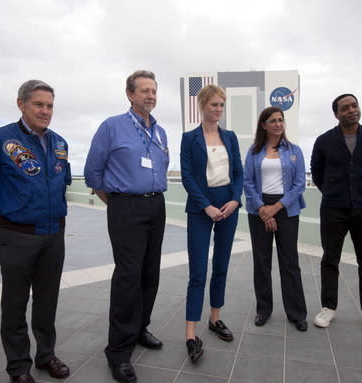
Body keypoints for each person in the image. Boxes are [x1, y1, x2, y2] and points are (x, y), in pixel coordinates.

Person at [0, 80, 71, 383]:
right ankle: (18, 367)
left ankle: (46, 356)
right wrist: (4, 221)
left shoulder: (60, 143)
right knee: (14, 305)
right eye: (38, 104)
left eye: (50, 105)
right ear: (21, 104)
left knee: (47, 301)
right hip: (17, 237)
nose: (45, 111)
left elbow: (62, 184)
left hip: (53, 236)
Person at [84, 70, 169, 383]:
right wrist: (118, 202)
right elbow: (93, 172)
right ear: (130, 95)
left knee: (150, 273)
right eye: (144, 91)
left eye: (154, 91)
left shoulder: (159, 132)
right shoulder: (112, 126)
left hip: (155, 205)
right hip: (126, 207)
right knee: (128, 277)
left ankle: (139, 328)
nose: (150, 96)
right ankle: (118, 351)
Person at [310, 93, 362, 335]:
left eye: (354, 105)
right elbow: (316, 171)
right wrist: (335, 191)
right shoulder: (324, 140)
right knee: (330, 258)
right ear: (337, 114)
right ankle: (328, 307)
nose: (352, 110)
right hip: (333, 207)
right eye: (345, 108)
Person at [180, 84, 243, 362]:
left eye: (221, 105)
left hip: (228, 205)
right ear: (202, 106)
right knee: (198, 271)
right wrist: (205, 205)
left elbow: (239, 172)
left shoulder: (230, 137)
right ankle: (190, 334)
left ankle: (215, 319)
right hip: (200, 207)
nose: (218, 110)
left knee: (221, 266)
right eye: (214, 105)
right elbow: (187, 176)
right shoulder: (189, 138)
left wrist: (235, 200)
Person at [243, 106, 308, 331]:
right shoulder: (253, 151)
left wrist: (276, 208)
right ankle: (264, 309)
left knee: (289, 262)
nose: (278, 124)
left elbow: (300, 184)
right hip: (259, 208)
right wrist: (263, 209)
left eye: (281, 120)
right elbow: (248, 182)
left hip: (287, 208)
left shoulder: (294, 150)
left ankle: (297, 313)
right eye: (273, 121)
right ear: (264, 125)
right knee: (261, 262)